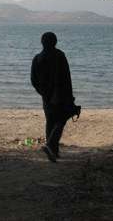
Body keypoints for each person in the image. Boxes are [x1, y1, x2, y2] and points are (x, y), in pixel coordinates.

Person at [31, 31, 75, 162]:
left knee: (50, 122)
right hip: (61, 95)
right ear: (55, 42)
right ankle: (51, 146)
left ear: (42, 42)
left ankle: (53, 151)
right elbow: (67, 77)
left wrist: (42, 92)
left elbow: (33, 80)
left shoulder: (37, 58)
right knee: (61, 121)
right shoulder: (60, 55)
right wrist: (70, 96)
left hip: (46, 96)